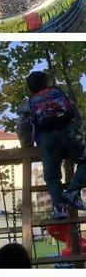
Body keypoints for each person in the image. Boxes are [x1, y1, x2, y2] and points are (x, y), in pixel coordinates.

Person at [20, 70, 86, 219]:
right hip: (68, 132)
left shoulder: (29, 104)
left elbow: (23, 126)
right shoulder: (59, 95)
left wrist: (27, 144)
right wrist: (78, 135)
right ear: (46, 83)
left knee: (52, 177)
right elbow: (74, 114)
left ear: (30, 88)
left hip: (46, 139)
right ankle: (73, 191)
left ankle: (59, 209)